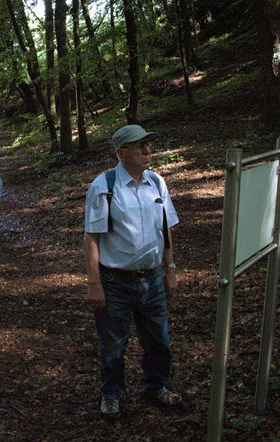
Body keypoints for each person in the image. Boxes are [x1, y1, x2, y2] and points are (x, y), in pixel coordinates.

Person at [83, 125, 181, 419]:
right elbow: (91, 237)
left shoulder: (157, 182)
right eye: (139, 146)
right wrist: (94, 283)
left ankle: (155, 386)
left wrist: (170, 268)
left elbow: (164, 227)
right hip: (115, 282)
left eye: (149, 144)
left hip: (151, 279)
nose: (147, 150)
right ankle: (111, 395)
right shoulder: (104, 187)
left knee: (159, 341)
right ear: (120, 152)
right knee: (113, 347)